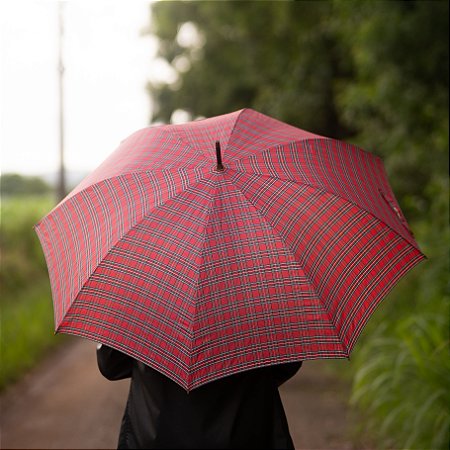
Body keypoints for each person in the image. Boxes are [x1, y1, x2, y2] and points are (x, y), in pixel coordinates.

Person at [97, 344, 302, 449]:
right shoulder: (257, 292)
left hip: (155, 436)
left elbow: (111, 366)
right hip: (244, 435)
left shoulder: (144, 295)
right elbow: (287, 363)